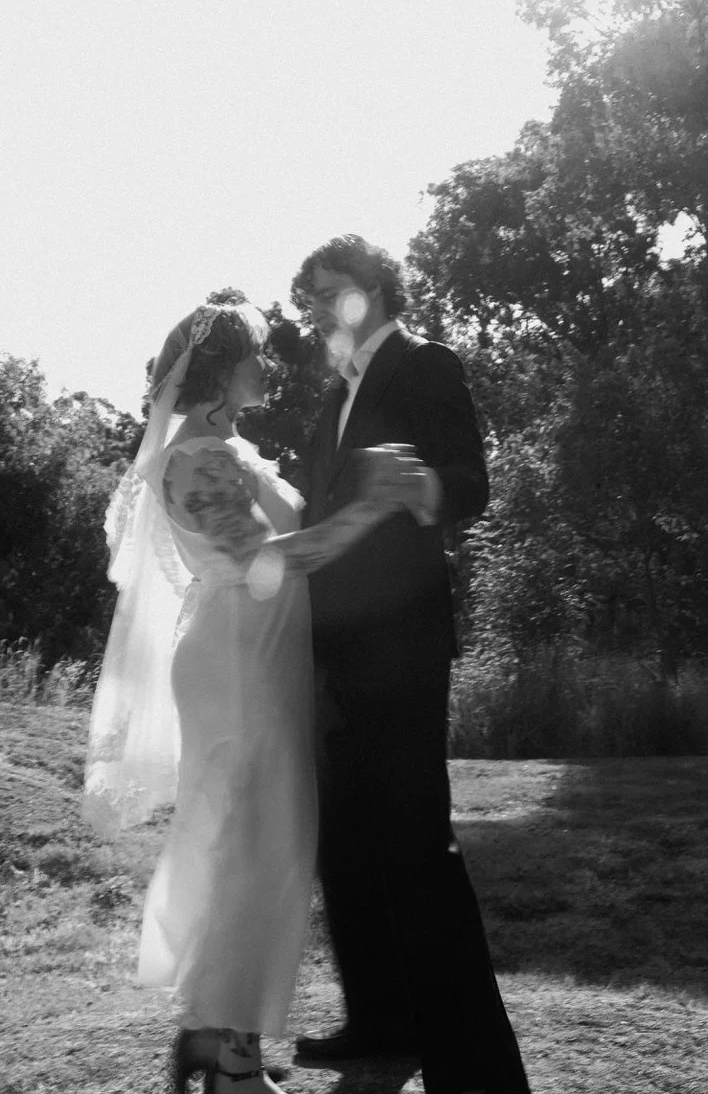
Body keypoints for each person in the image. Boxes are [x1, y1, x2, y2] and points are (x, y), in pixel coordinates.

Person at [82, 299, 426, 1094]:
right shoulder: (194, 459)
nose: (268, 367)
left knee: (264, 844)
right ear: (219, 369)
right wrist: (374, 505)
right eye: (257, 356)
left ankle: (211, 1035)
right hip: (235, 663)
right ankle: (232, 1063)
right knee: (253, 847)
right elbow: (268, 561)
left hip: (265, 657)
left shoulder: (233, 449)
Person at [291, 235, 531, 1094]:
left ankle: (476, 1069)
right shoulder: (332, 401)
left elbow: (471, 482)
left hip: (401, 649)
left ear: (379, 289)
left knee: (416, 847)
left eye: (334, 290)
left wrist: (420, 485)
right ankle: (383, 1025)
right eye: (311, 296)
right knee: (346, 846)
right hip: (331, 653)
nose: (320, 307)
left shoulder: (425, 364)